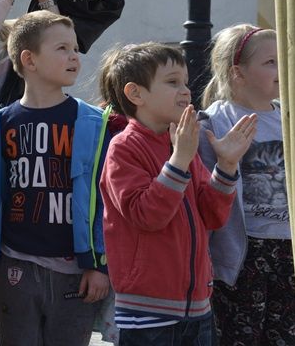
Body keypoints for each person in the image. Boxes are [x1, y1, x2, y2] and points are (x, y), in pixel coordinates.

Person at [98, 42, 257, 346]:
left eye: (185, 81)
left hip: (198, 307)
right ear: (136, 94)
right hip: (148, 311)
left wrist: (226, 165)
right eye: (172, 82)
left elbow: (212, 215)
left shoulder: (181, 144)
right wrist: (179, 161)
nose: (185, 90)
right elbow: (148, 215)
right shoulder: (125, 147)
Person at [0, 11, 110, 346]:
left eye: (75, 49)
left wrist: (100, 265)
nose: (74, 56)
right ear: (29, 59)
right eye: (62, 48)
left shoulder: (94, 123)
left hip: (76, 273)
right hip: (16, 265)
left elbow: (105, 200)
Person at [197, 25, 295, 345]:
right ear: (238, 72)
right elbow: (206, 196)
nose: (282, 69)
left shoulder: (287, 118)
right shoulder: (213, 121)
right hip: (241, 253)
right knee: (241, 336)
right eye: (270, 62)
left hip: (288, 248)